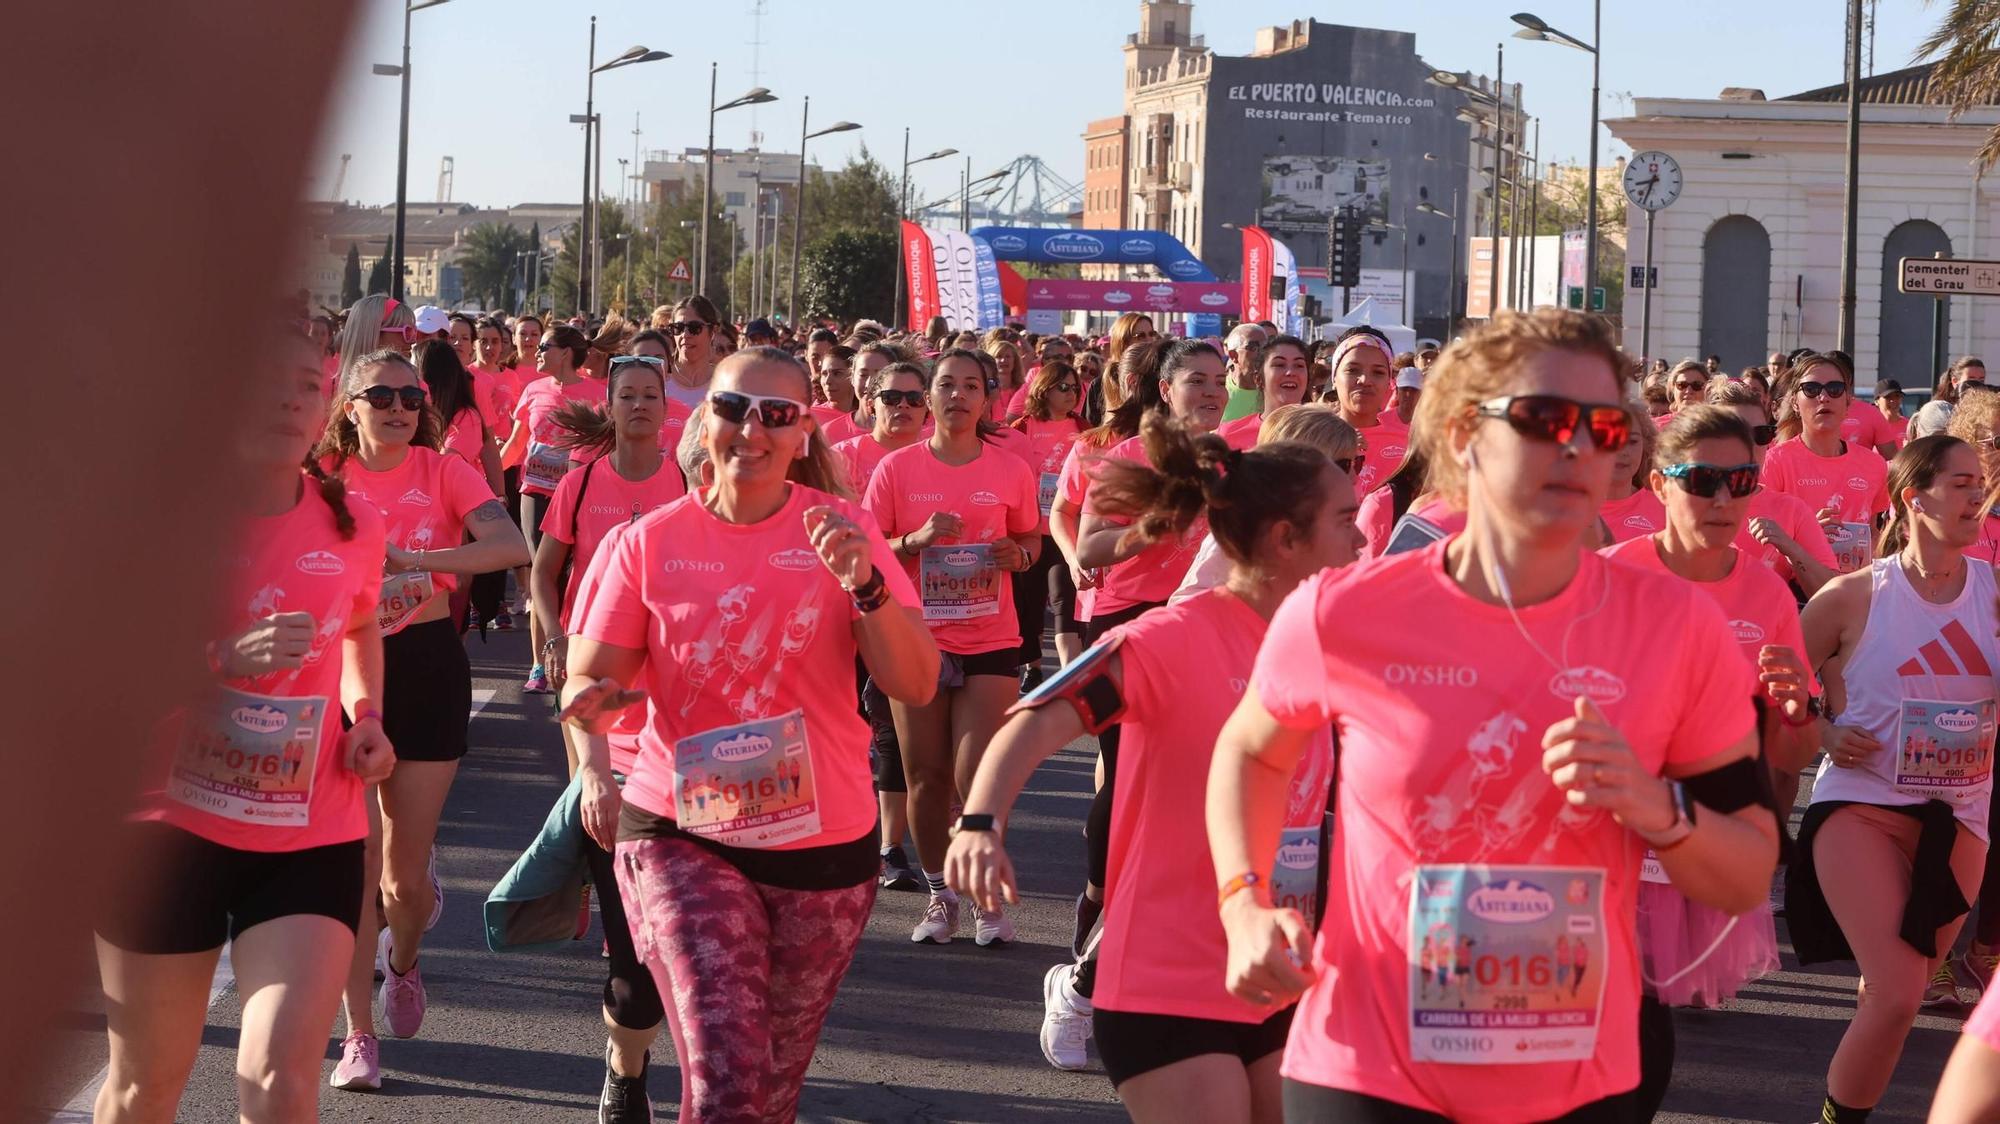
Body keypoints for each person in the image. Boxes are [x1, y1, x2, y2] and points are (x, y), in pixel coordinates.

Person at [1207, 308, 1777, 1123]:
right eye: (1547, 420)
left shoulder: (1677, 627)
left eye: (1606, 427)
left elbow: (1750, 868)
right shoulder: (1344, 612)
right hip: (1367, 1067)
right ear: (1464, 431)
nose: (1579, 448)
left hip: (1578, 1076)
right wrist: (1242, 900)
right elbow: (1251, 753)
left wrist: (1658, 809)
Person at [557, 347, 939, 1123]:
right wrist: (594, 714)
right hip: (681, 834)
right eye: (733, 409)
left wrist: (867, 585)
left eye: (776, 415)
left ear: (805, 432)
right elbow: (588, 684)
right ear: (705, 418)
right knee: (727, 1077)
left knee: (768, 1090)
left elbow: (916, 682)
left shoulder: (844, 530)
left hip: (822, 844)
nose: (751, 430)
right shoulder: (651, 541)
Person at [946, 413, 1363, 1109]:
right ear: (1286, 539)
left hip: (1285, 969)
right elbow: (1034, 722)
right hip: (1168, 978)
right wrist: (980, 824)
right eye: (1345, 519)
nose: (1361, 535)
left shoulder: (1324, 644)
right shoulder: (1168, 641)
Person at [94, 333, 393, 1123]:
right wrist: (223, 656)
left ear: (324, 407)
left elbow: (360, 627)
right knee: (145, 1085)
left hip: (307, 828)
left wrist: (367, 718)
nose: (290, 398)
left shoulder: (354, 525)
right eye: (268, 382)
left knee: (279, 1080)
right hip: (166, 828)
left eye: (307, 384)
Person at [320, 349, 531, 1090]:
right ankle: (358, 1036)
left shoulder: (444, 472)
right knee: (358, 866)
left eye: (411, 395)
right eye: (381, 393)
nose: (400, 406)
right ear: (351, 406)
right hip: (344, 676)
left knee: (403, 884)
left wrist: (415, 557)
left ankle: (403, 963)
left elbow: (512, 544)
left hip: (427, 668)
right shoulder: (324, 482)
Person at [1601, 405, 1818, 1116]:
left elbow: (1793, 754)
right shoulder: (1606, 576)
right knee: (1610, 1016)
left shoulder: (1764, 592)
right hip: (1601, 831)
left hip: (1697, 835)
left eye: (1741, 480)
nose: (1724, 499)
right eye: (1702, 480)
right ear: (1658, 483)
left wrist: (1795, 710)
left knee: (1641, 1028)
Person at [1787, 435, 2000, 1124]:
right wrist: (1822, 731)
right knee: (1902, 994)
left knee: (1891, 1002)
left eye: (1982, 483)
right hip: (1862, 807)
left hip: (1961, 819)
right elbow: (1771, 695)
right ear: (1915, 497)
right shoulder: (1852, 597)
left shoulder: (1995, 596)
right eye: (1962, 483)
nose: (1979, 495)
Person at [865, 348, 1042, 946]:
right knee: (926, 777)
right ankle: (942, 897)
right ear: (930, 397)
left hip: (991, 634)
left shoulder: (1010, 468)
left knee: (976, 774)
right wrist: (914, 539)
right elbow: (869, 555)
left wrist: (1017, 556)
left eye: (971, 386)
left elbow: (1030, 543)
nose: (958, 396)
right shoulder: (896, 470)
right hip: (915, 638)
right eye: (947, 385)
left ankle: (985, 894)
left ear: (988, 398)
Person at [531, 354, 688, 752]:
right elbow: (543, 573)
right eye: (628, 396)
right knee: (589, 787)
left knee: (653, 790)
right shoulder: (577, 484)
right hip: (587, 655)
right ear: (611, 407)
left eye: (651, 396)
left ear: (665, 409)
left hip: (665, 658)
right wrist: (555, 639)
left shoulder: (688, 486)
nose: (640, 405)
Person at [833, 358, 932, 890]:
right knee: (840, 725)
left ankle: (889, 847)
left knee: (894, 735)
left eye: (914, 399)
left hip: (915, 611)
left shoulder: (938, 459)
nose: (903, 408)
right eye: (892, 398)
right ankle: (839, 833)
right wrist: (908, 544)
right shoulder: (840, 459)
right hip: (839, 611)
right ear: (868, 400)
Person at [501, 324, 605, 693]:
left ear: (565, 353)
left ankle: (571, 655)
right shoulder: (533, 389)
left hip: (580, 496)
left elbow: (608, 448)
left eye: (545, 346)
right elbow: (516, 443)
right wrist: (485, 482)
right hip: (537, 493)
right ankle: (537, 666)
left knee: (568, 578)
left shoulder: (597, 393)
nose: (538, 352)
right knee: (541, 576)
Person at [1176, 406, 1362, 603]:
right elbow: (1186, 603)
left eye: (1358, 463)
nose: (1353, 477)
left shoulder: (1335, 522)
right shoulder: (1245, 526)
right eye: (1343, 465)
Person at [1706, 379, 1840, 597]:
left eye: (1760, 434)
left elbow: (1833, 595)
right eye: (1738, 434)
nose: (1750, 445)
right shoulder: (1683, 501)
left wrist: (1790, 548)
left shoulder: (1792, 510)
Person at [1762, 353, 1890, 574]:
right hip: (1796, 590)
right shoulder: (1775, 460)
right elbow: (1761, 540)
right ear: (1794, 402)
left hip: (1855, 589)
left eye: (1834, 389)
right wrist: (1806, 535)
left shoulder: (1874, 464)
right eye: (1811, 389)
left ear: (1848, 400)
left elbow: (1872, 530)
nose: (1823, 397)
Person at [1008, 358, 1087, 681]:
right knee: (1029, 602)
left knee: (1064, 599)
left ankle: (1070, 675)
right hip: (1028, 530)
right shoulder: (1022, 428)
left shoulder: (1083, 428)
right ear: (1044, 390)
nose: (1071, 394)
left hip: (1067, 530)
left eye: (1075, 388)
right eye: (1063, 387)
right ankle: (1034, 667)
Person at [1325, 327, 1409, 494]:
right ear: (1334, 378)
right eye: (1353, 370)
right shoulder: (1311, 438)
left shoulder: (1409, 445)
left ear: (1389, 382)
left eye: (1378, 372)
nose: (1365, 380)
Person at [414, 339, 503, 497]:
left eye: (413, 371)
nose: (408, 378)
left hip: (455, 504)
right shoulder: (412, 412)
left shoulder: (466, 417)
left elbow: (442, 467)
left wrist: (499, 495)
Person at [1218, 336, 1313, 451]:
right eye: (1279, 365)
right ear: (1258, 378)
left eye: (1299, 365)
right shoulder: (1229, 435)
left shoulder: (1326, 433)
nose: (1290, 372)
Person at [1597, 404, 1665, 545]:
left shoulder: (1666, 507)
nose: (1623, 451)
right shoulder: (1569, 510)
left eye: (1632, 441)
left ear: (1645, 445)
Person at [660, 296, 723, 411]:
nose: (685, 335)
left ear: (713, 331)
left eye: (694, 328)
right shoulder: (660, 380)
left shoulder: (724, 383)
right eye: (678, 328)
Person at [812, 345, 867, 444]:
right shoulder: (812, 417)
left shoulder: (870, 417)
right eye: (824, 374)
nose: (828, 381)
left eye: (837, 373)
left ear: (854, 377)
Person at [1221, 322, 1269, 423]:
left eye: (1266, 347)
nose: (1262, 353)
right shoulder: (1219, 392)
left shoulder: (1275, 392)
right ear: (1234, 355)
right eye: (1253, 348)